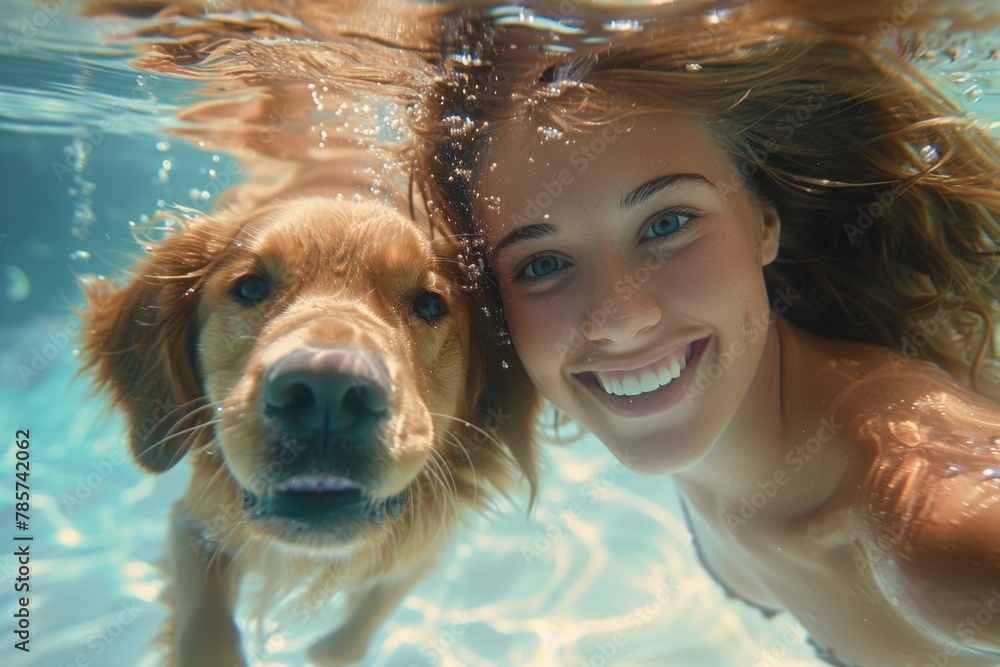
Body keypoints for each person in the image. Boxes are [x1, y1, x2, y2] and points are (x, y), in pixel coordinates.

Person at [409, 2, 1000, 665]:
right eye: (542, 264)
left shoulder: (933, 522)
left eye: (667, 224)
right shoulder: (727, 424)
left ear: (764, 220)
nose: (620, 317)